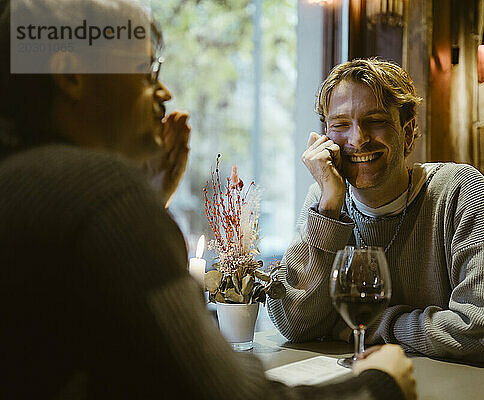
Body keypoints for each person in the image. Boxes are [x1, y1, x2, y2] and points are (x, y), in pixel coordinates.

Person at [0, 1, 416, 399]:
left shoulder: (24, 180)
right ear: (71, 76)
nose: (163, 92)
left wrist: (149, 200)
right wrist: (378, 386)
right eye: (147, 72)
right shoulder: (101, 193)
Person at [267, 58, 484, 367]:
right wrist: (329, 207)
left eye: (374, 120)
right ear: (324, 136)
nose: (357, 139)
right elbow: (295, 324)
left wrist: (371, 326)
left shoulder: (458, 191)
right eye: (340, 125)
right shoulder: (323, 200)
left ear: (408, 130)